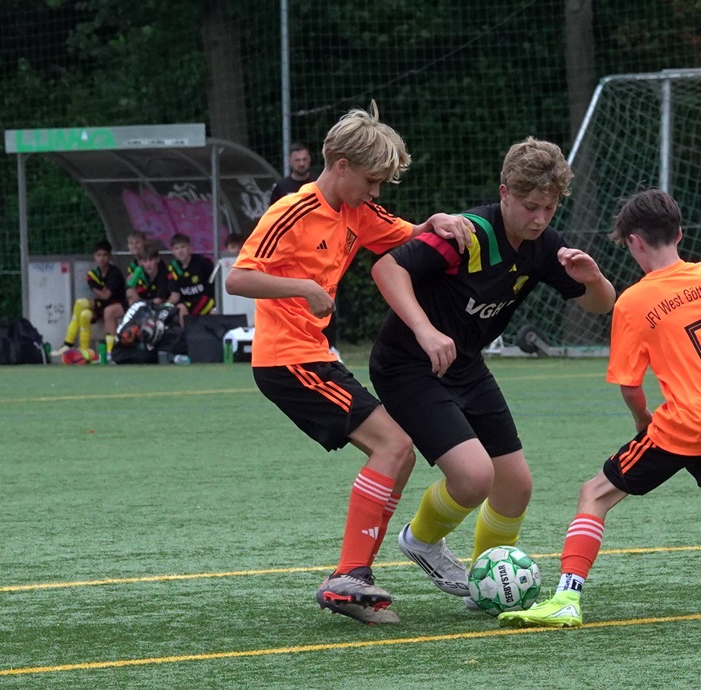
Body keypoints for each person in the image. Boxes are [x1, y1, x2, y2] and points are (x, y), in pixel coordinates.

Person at [498, 189, 701, 629]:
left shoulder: (633, 301)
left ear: (634, 242)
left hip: (687, 422)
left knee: (594, 493)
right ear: (679, 234)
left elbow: (630, 387)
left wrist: (644, 422)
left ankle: (566, 598)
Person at [225, 101, 472, 625]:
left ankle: (355, 579)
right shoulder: (292, 210)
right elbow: (238, 278)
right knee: (394, 445)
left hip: (314, 356)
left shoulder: (357, 212)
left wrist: (436, 223)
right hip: (287, 360)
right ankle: (349, 577)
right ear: (340, 166)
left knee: (400, 454)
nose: (376, 192)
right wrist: (303, 287)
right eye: (371, 180)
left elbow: (408, 232)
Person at [368, 137, 616, 607]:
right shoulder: (468, 233)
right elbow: (387, 268)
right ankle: (420, 541)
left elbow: (601, 304)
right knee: (474, 477)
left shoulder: (545, 245)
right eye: (530, 206)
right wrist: (424, 329)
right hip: (407, 364)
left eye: (549, 208)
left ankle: (485, 587)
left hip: (464, 365)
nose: (540, 218)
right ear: (504, 193)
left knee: (515, 485)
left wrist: (594, 278)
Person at [270, 142, 342, 357]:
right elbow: (273, 219)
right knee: (297, 300)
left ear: (310, 159)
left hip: (321, 247)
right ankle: (295, 346)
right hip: (293, 253)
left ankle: (330, 346)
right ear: (290, 162)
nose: (301, 163)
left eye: (304, 159)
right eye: (297, 160)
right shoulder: (281, 188)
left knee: (327, 294)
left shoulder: (320, 184)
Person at [51, 239, 127, 363]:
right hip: (102, 305)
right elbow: (101, 294)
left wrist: (95, 292)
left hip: (116, 303)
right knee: (84, 314)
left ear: (110, 257)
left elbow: (106, 296)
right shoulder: (94, 273)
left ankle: (68, 343)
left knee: (80, 303)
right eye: (99, 255)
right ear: (94, 257)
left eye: (105, 255)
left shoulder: (114, 272)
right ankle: (84, 352)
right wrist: (96, 292)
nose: (102, 258)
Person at [168, 232, 217, 323]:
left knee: (182, 308)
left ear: (190, 247)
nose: (180, 251)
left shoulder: (203, 263)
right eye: (176, 248)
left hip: (206, 300)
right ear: (173, 251)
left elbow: (214, 288)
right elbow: (175, 295)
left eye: (183, 247)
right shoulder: (173, 268)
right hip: (185, 303)